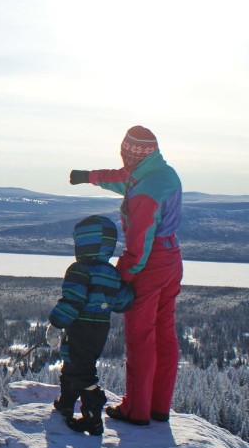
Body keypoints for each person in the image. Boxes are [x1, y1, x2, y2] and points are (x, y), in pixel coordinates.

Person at [69, 125, 183, 426]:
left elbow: (139, 242)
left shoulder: (145, 192)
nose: (124, 159)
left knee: (141, 336)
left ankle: (137, 410)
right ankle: (159, 407)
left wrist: (121, 277)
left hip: (150, 263)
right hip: (172, 258)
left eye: (126, 153)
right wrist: (88, 176)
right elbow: (121, 179)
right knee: (164, 333)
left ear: (131, 152)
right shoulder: (160, 172)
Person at [46, 215, 134, 435]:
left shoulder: (79, 270)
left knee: (80, 370)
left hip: (80, 327)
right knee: (76, 365)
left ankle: (93, 419)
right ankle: (66, 402)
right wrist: (130, 291)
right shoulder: (112, 273)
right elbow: (122, 302)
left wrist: (56, 323)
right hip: (99, 330)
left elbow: (72, 301)